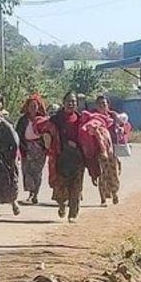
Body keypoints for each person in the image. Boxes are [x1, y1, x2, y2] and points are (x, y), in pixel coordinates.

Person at [45, 91, 87, 223]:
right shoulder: (56, 119)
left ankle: (73, 214)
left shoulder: (81, 119)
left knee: (76, 187)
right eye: (68, 101)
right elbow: (47, 132)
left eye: (73, 101)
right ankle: (62, 204)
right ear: (63, 103)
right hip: (61, 158)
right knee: (61, 186)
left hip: (77, 158)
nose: (71, 103)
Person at [15, 94, 49, 205]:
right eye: (31, 106)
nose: (33, 108)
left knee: (37, 172)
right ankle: (30, 192)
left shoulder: (43, 120)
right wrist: (20, 148)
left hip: (39, 148)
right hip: (26, 147)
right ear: (27, 107)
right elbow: (17, 134)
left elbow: (48, 134)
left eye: (35, 106)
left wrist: (45, 147)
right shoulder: (23, 120)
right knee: (27, 170)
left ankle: (35, 194)